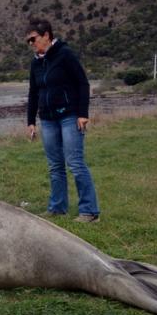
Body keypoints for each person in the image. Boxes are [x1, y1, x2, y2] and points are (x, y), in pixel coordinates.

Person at [25, 18, 100, 222]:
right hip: (47, 119)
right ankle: (58, 207)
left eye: (33, 39)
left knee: (75, 162)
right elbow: (33, 92)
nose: (31, 44)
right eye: (28, 41)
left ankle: (89, 211)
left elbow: (82, 83)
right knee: (54, 165)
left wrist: (83, 114)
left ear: (46, 35)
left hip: (69, 116)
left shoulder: (65, 54)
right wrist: (31, 121)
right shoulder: (35, 62)